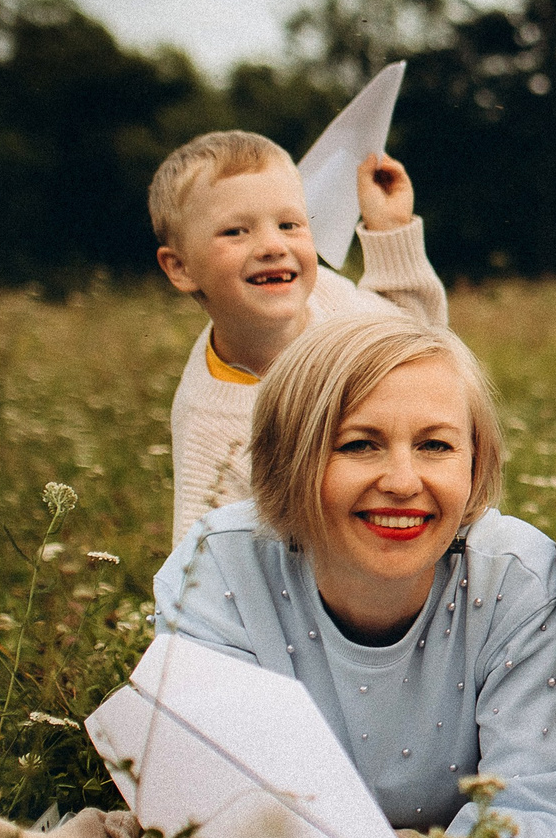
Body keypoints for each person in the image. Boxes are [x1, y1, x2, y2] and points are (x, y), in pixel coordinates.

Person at [154, 314, 556, 838]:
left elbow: (536, 801)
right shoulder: (221, 566)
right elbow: (204, 792)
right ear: (291, 459)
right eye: (360, 445)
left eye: (435, 445)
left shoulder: (516, 581)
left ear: (475, 461)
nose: (403, 481)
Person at [150, 129, 447, 545]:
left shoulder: (333, 297)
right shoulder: (209, 422)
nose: (272, 245)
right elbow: (202, 561)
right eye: (236, 232)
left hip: (419, 518)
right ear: (180, 267)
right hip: (317, 584)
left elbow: (421, 348)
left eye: (289, 224)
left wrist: (390, 227)